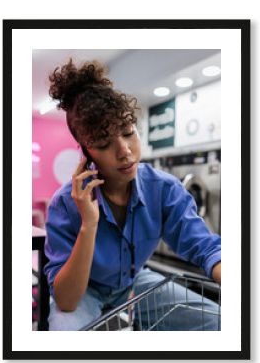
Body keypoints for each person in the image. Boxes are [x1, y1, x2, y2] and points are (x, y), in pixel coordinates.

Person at [44, 58, 221, 331]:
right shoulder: (65, 204)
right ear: (85, 151)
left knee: (217, 320)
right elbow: (67, 301)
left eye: (128, 133)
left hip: (135, 282)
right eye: (104, 144)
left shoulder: (163, 189)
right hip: (86, 292)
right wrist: (88, 224)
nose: (125, 151)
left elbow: (206, 248)